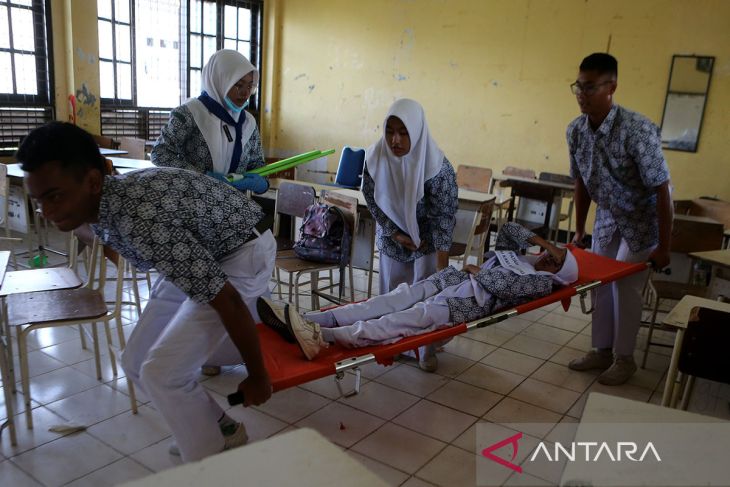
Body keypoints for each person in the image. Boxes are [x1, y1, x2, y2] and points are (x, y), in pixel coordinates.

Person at [19, 122, 275, 463]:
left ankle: (210, 464)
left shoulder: (139, 218)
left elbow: (227, 299)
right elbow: (127, 245)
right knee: (136, 361)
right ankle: (220, 429)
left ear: (93, 181)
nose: (47, 213)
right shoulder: (103, 203)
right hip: (202, 247)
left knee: (161, 372)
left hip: (243, 250)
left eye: (54, 197)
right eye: (38, 201)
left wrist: (258, 376)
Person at [258, 223, 578, 372]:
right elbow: (508, 229)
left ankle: (322, 336)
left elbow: (507, 290)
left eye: (558, 263)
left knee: (398, 322)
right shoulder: (527, 259)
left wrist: (479, 273)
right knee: (382, 303)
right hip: (447, 281)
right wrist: (547, 245)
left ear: (559, 274)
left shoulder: (542, 283)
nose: (552, 260)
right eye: (555, 255)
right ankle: (305, 320)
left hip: (460, 305)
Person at [566, 53, 673, 386]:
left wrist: (665, 247)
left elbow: (662, 189)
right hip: (609, 217)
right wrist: (580, 228)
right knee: (599, 282)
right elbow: (581, 181)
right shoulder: (576, 131)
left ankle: (624, 359)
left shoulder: (636, 129)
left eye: (591, 87)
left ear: (611, 87)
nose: (583, 94)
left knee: (624, 286)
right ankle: (601, 350)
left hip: (644, 220)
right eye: (578, 87)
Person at [362, 98, 458, 293]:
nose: (394, 140)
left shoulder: (437, 169)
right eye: (389, 132)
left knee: (421, 304)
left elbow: (443, 219)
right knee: (388, 301)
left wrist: (441, 269)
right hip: (391, 242)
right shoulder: (375, 158)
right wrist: (395, 233)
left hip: (425, 246)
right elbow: (371, 198)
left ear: (417, 132)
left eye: (404, 133)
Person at [151, 49, 268, 195]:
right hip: (192, 202)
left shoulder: (248, 123)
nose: (245, 93)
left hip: (233, 206)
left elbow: (256, 163)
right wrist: (203, 176)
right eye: (239, 85)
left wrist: (262, 181)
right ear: (220, 80)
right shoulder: (190, 113)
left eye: (250, 86)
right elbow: (160, 153)